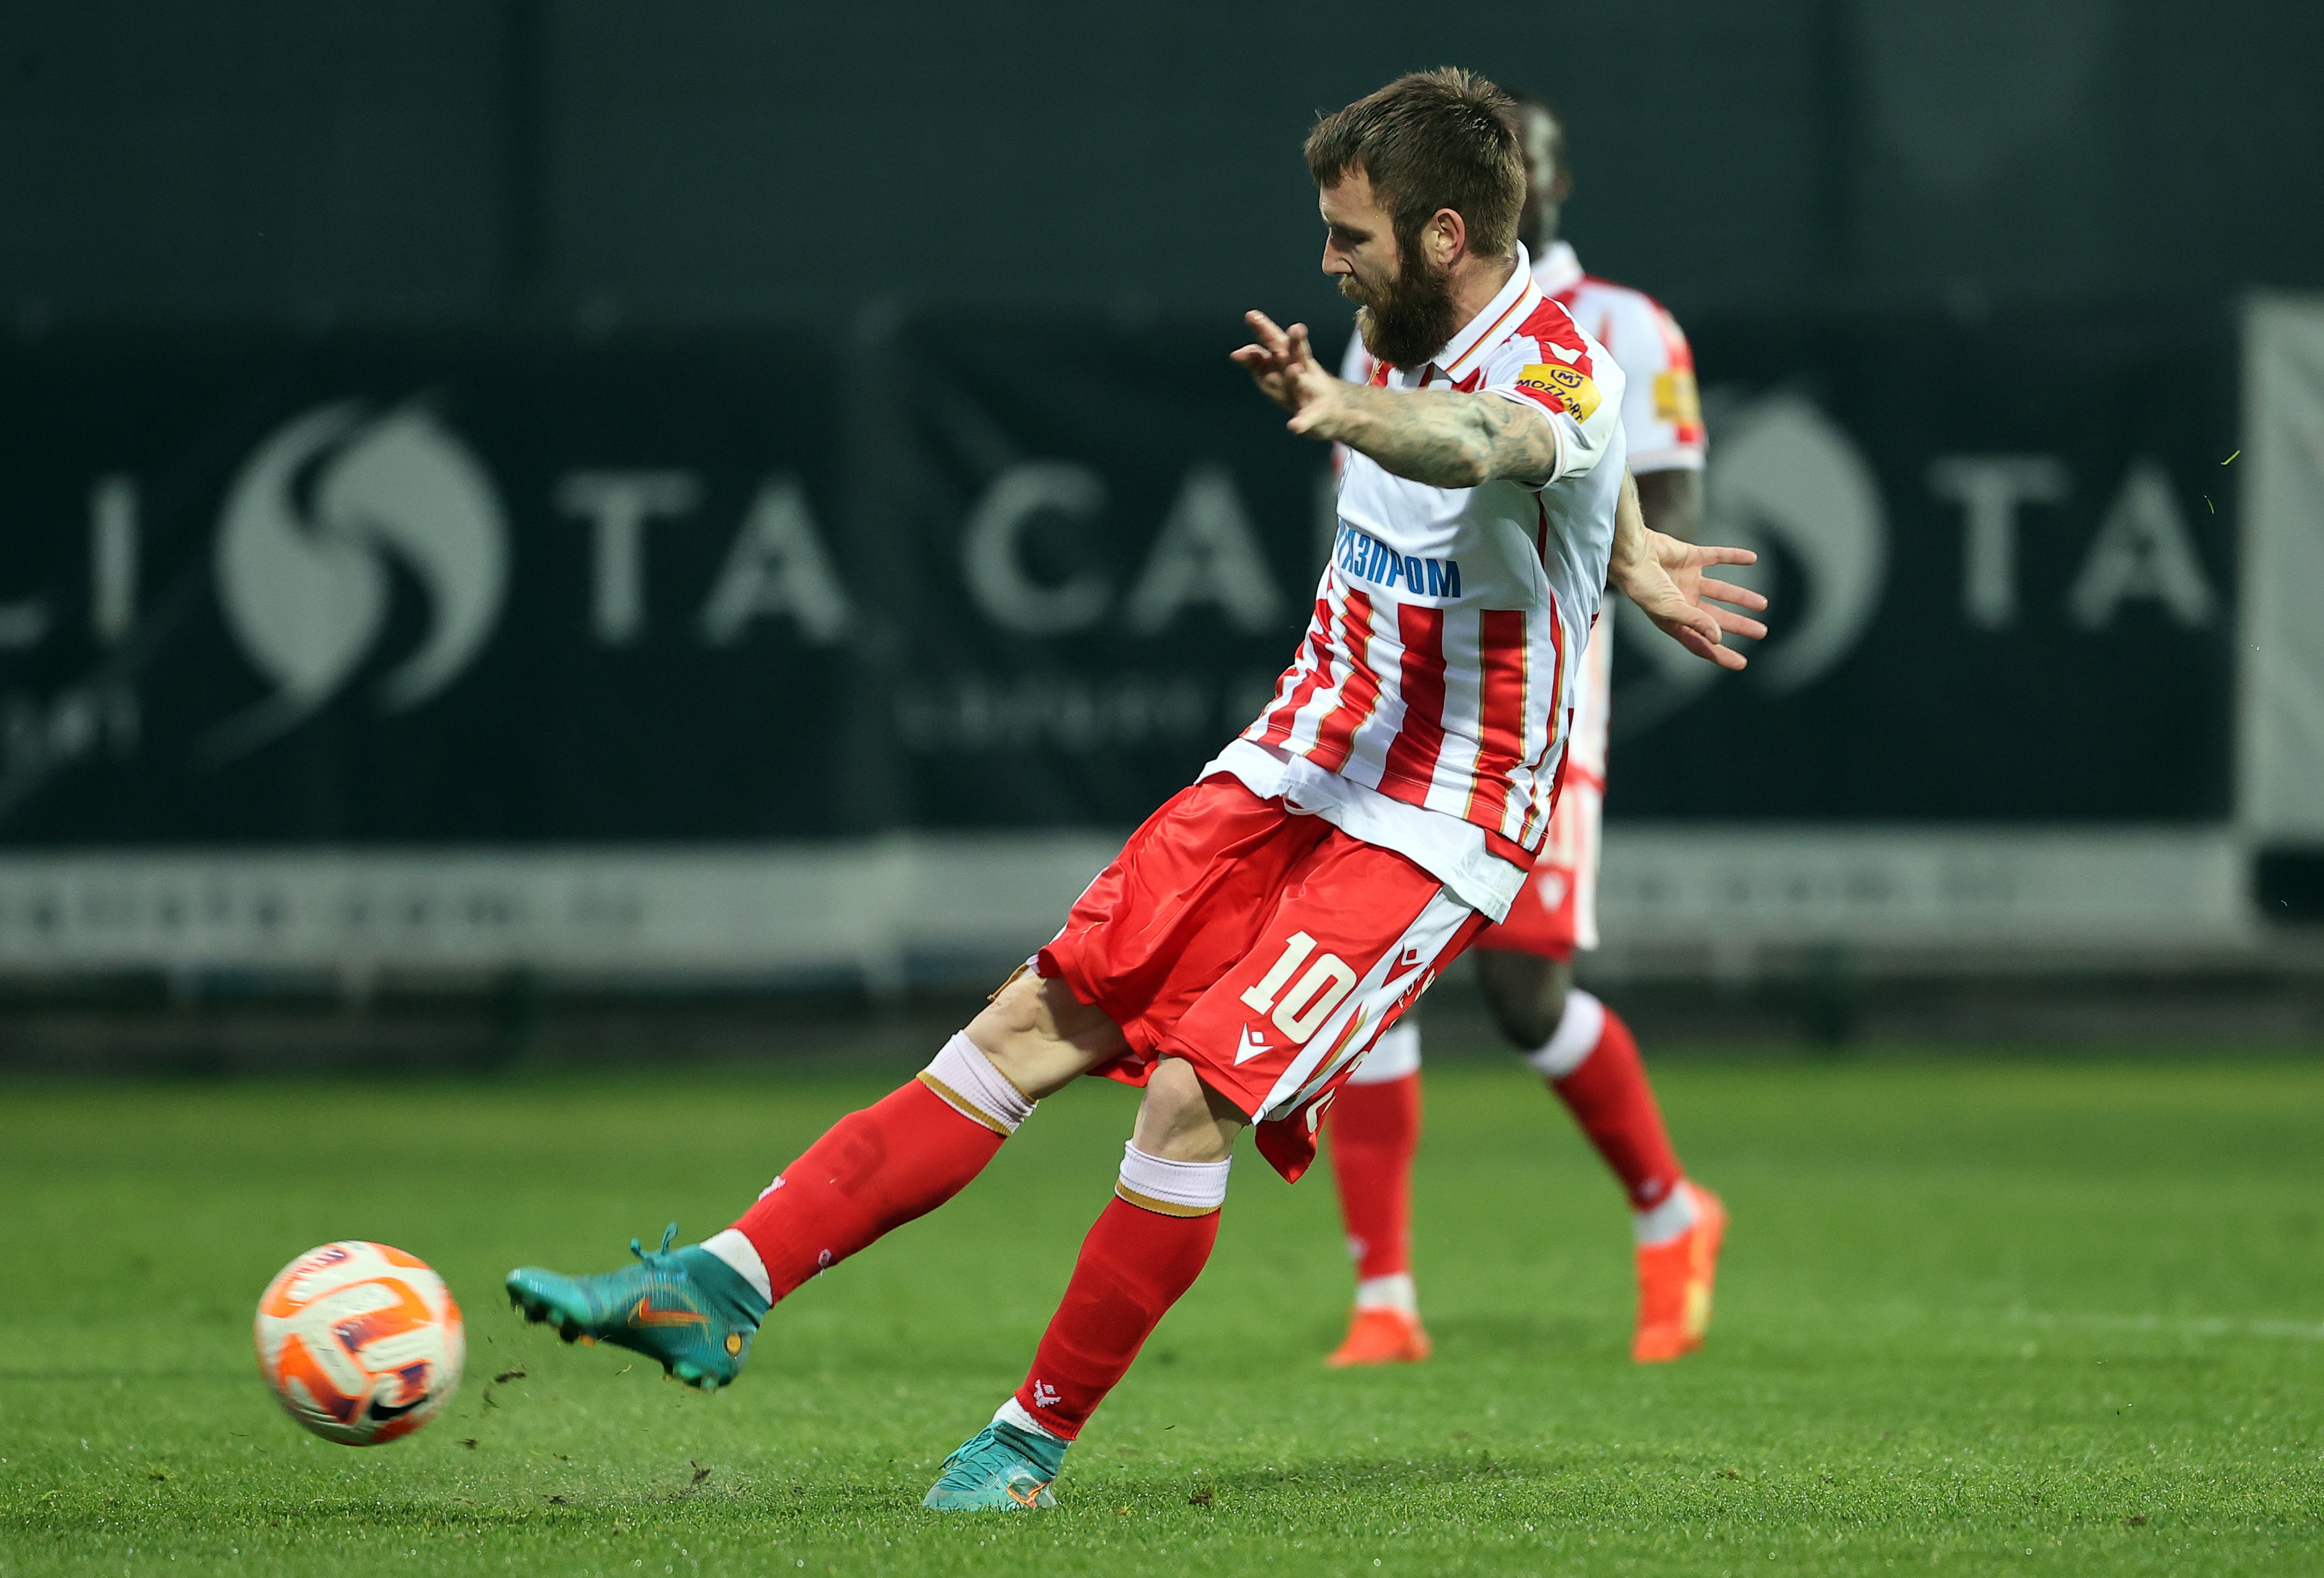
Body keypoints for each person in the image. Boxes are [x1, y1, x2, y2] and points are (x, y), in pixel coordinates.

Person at [501, 68, 1764, 1513]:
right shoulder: (1388, 322)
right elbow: (1543, 495)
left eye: (1348, 235)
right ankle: (713, 1285)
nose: (1324, 261)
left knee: (1185, 1092)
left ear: (1440, 234)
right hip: (1289, 762)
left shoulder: (1552, 364)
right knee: (1020, 1025)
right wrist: (1613, 549)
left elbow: (1492, 444)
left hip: (1435, 822)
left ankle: (1022, 1446)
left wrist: (1344, 411)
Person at [1318, 91, 1728, 1371]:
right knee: (1362, 974)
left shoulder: (1617, 328)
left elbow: (1663, 508)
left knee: (1523, 988)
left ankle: (1673, 1213)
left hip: (1537, 695)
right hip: (1397, 684)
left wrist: (1600, 541)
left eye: (1542, 156)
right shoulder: (1388, 311)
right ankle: (1382, 1300)